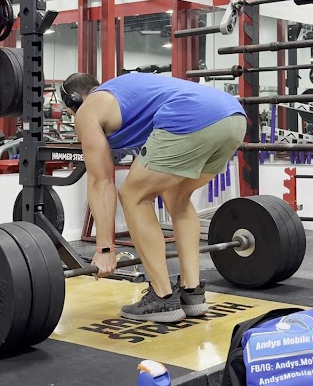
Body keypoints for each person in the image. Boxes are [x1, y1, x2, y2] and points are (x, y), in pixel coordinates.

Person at [60, 71, 246, 323]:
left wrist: (104, 249)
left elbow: (101, 181)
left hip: (192, 116)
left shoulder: (88, 110)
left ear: (73, 100)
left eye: (70, 113)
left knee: (133, 196)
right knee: (177, 197)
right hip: (233, 117)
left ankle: (162, 297)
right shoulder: (126, 98)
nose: (74, 119)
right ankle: (191, 292)